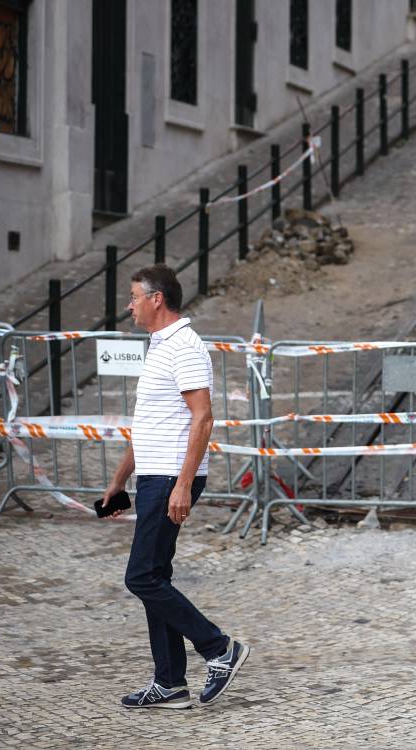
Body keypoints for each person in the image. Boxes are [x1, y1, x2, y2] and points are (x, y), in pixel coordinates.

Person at [103, 265, 250, 709]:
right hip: (155, 475)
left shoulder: (184, 346)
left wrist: (183, 485)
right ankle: (170, 683)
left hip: (171, 477)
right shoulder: (159, 345)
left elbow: (203, 417)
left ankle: (219, 649)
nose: (129, 305)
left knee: (141, 576)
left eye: (133, 297)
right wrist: (119, 480)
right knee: (155, 575)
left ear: (156, 299)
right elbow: (148, 424)